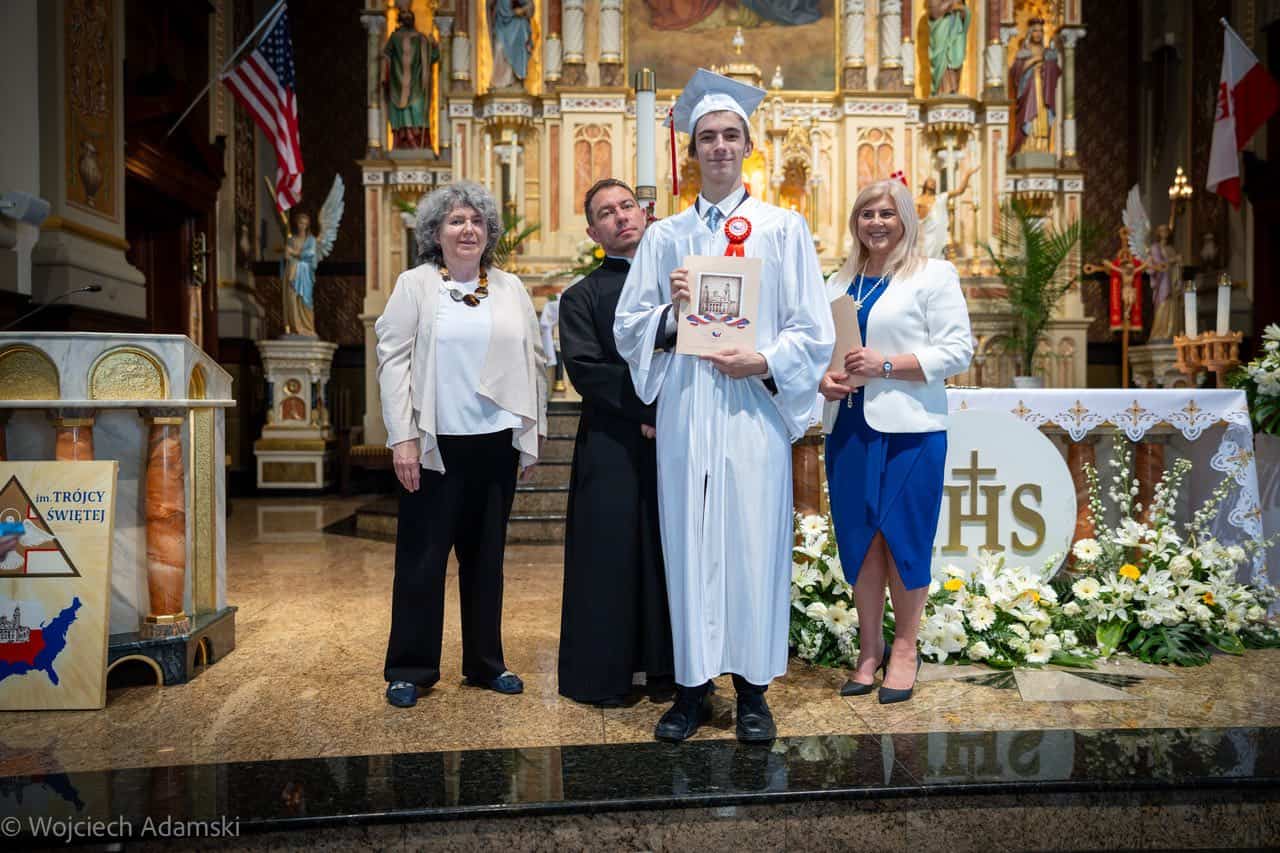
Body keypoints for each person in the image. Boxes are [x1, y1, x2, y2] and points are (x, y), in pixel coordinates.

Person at [614, 69, 834, 743]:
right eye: (706, 136)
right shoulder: (665, 238)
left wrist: (762, 360)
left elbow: (812, 329)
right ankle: (691, 690)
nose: (718, 146)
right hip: (687, 407)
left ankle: (754, 691)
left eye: (729, 135)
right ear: (692, 150)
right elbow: (629, 326)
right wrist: (673, 311)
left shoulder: (782, 229)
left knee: (752, 540)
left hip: (751, 408)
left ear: (747, 146)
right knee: (688, 540)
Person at [375, 181, 547, 708]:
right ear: (436, 233)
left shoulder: (511, 287)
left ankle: (486, 663)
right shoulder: (415, 285)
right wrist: (403, 438)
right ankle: (411, 668)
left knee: (486, 558)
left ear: (489, 232)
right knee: (422, 559)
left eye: (476, 220)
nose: (467, 229)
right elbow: (393, 361)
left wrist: (531, 432)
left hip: (495, 442)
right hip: (436, 443)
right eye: (456, 220)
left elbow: (536, 360)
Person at [819, 179, 973, 704]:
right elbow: (822, 350)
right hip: (849, 428)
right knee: (859, 540)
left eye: (886, 213)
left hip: (911, 430)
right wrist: (823, 378)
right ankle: (870, 649)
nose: (876, 223)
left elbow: (958, 350)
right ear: (855, 223)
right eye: (867, 214)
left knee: (904, 537)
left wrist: (886, 364)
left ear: (905, 218)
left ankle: (905, 649)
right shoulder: (839, 280)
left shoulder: (933, 275)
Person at [557, 178, 674, 707]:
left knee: (669, 552)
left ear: (645, 214)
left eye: (628, 206)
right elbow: (586, 369)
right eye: (607, 212)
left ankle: (672, 671)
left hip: (676, 438)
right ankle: (603, 675)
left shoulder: (677, 286)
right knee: (610, 554)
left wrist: (667, 411)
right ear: (593, 232)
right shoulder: (581, 296)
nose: (621, 216)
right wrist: (648, 409)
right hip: (611, 441)